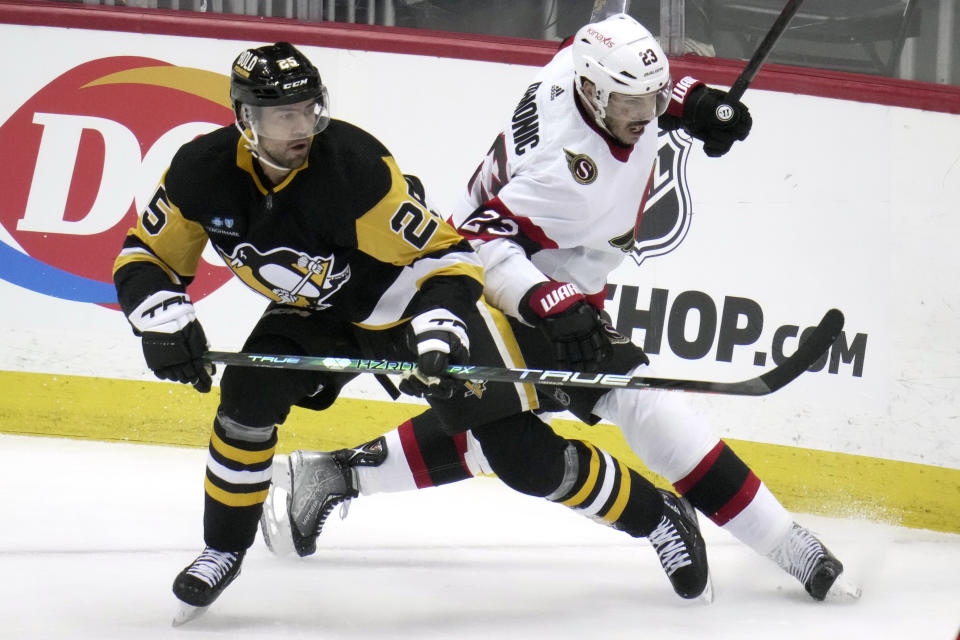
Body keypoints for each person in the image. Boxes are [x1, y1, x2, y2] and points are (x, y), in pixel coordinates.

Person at [112, 41, 711, 625]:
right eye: (282, 115)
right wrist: (160, 316)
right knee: (246, 395)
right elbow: (147, 254)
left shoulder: (352, 170)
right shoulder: (201, 172)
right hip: (314, 315)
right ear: (246, 118)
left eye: (307, 110)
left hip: (402, 309)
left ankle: (657, 516)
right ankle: (224, 548)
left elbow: (448, 258)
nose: (300, 127)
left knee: (523, 460)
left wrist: (438, 328)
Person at [265, 14, 859, 602]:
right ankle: (779, 542)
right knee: (621, 407)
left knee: (504, 420)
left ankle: (336, 474)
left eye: (653, 98)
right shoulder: (565, 169)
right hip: (496, 289)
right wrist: (549, 301)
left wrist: (694, 103)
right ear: (595, 95)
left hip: (551, 273)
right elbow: (479, 238)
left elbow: (640, 81)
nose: (648, 115)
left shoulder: (586, 68)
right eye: (635, 104)